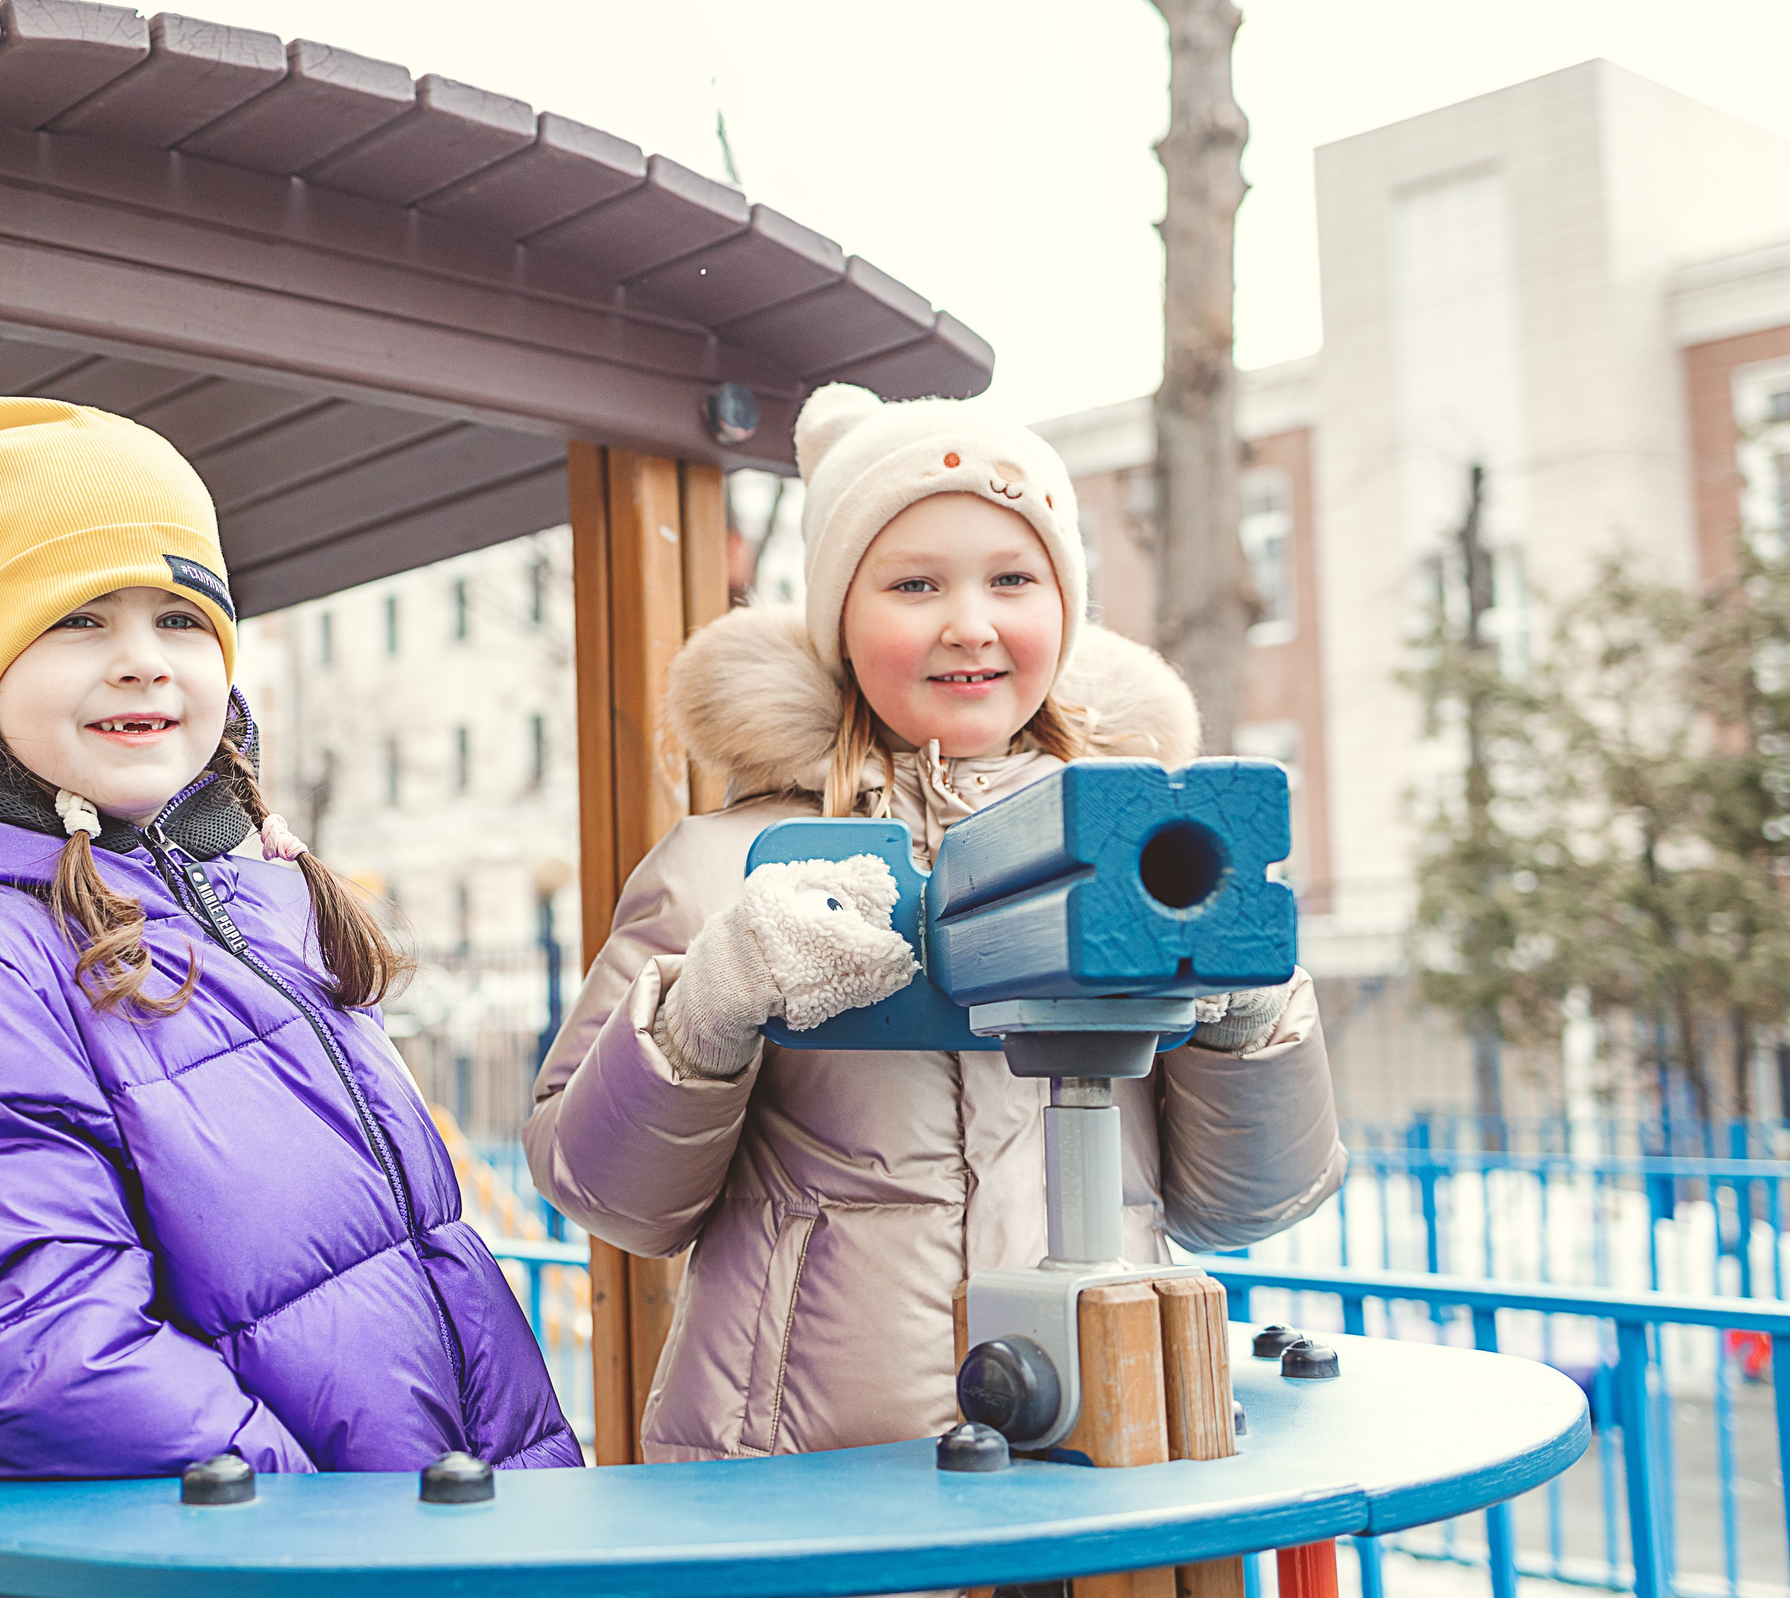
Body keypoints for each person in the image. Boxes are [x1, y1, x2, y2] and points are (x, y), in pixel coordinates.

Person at [523, 383, 1345, 1462]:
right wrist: (707, 1004)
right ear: (839, 622)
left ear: (1065, 608)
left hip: (1105, 1448)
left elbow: (1248, 1204)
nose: (970, 623)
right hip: (809, 1484)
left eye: (1013, 579)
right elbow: (610, 1197)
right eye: (913, 583)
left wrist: (1249, 1015)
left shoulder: (1141, 850)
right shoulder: (723, 868)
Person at [0, 397, 580, 1479]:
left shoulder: (255, 901)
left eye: (180, 619)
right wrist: (318, 1537)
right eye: (78, 619)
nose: (143, 660)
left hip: (443, 1535)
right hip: (270, 1558)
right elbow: (30, 1347)